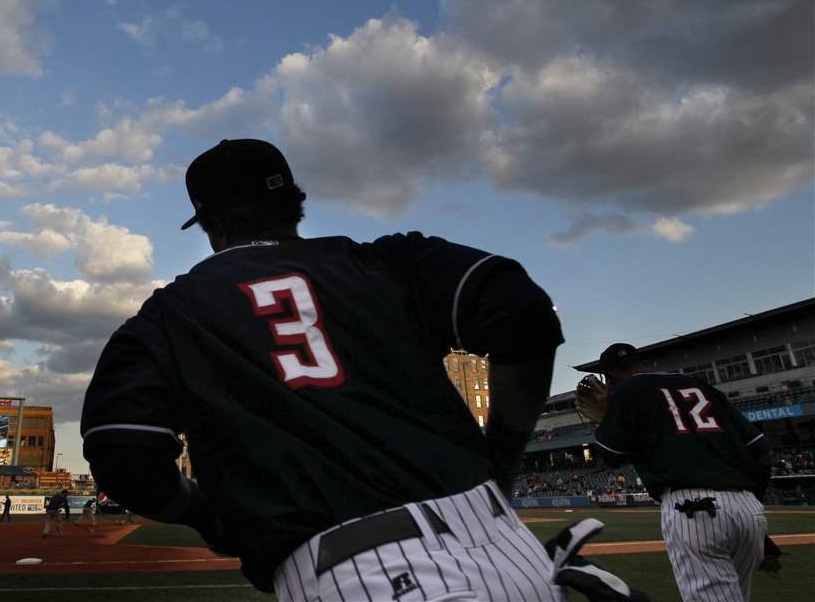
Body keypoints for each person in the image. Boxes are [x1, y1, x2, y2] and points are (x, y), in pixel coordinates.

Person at [81, 138, 566, 600]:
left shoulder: (170, 313)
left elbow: (119, 446)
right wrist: (502, 461)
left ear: (211, 225)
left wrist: (210, 519)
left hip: (357, 573)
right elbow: (523, 312)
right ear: (296, 204)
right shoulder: (386, 260)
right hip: (514, 553)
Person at [576, 343, 773, 602]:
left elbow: (611, 456)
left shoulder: (626, 391)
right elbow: (763, 451)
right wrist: (753, 503)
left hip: (693, 509)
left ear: (610, 376)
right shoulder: (700, 385)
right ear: (643, 363)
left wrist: (607, 419)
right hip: (749, 510)